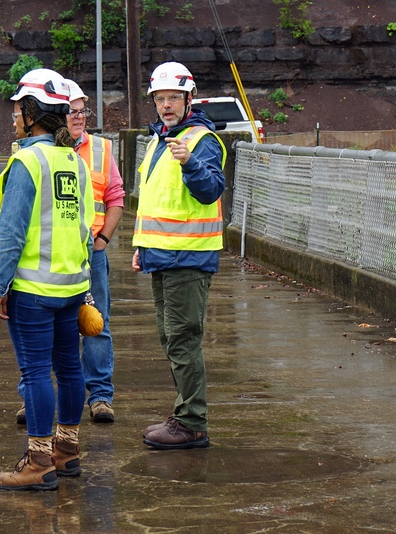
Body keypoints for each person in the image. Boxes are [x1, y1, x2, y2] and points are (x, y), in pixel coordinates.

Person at [0, 68, 95, 491]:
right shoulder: (73, 161)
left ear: (32, 113)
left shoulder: (27, 161)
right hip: (69, 285)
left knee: (34, 375)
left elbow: (11, 232)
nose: (13, 117)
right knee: (68, 369)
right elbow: (83, 226)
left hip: (32, 290)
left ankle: (39, 461)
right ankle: (67, 452)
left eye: (17, 109)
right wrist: (84, 285)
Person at [14, 78, 125, 425]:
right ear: (60, 114)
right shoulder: (32, 151)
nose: (77, 118)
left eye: (81, 112)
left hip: (89, 253)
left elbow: (115, 197)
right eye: (71, 112)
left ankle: (101, 395)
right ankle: (32, 395)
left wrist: (102, 240)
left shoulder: (101, 150)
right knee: (50, 333)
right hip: (50, 254)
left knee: (94, 323)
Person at [134, 62, 226, 450]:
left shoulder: (200, 140)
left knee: (183, 340)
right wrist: (142, 248)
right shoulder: (159, 139)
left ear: (189, 98)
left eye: (173, 97)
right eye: (160, 98)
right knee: (172, 339)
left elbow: (211, 190)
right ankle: (186, 415)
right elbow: (155, 200)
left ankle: (192, 422)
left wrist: (189, 162)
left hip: (188, 258)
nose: (166, 105)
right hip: (163, 255)